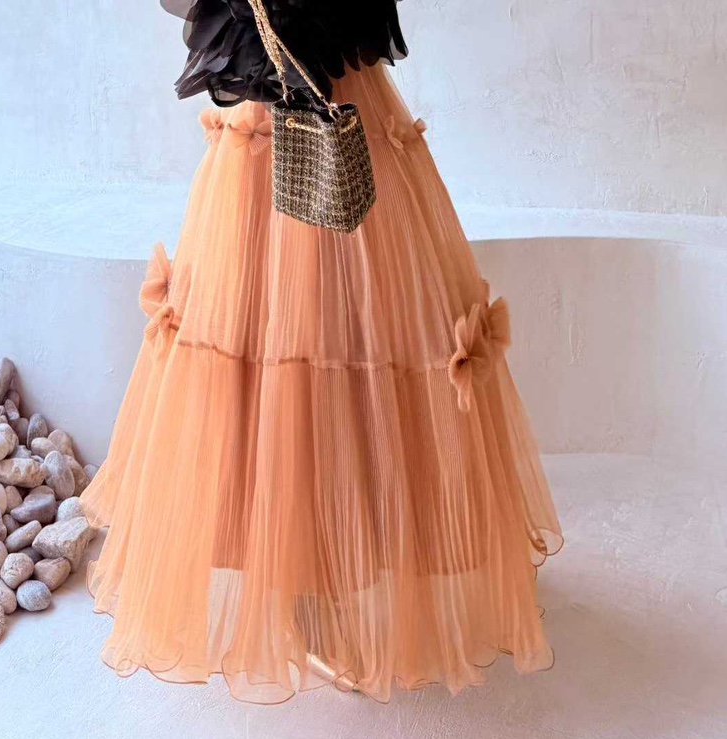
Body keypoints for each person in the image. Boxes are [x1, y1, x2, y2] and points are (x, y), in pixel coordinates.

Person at [81, 0, 563, 704]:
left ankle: (340, 565)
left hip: (337, 92)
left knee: (357, 327)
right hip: (270, 102)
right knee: (283, 334)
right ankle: (304, 579)